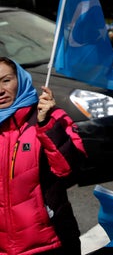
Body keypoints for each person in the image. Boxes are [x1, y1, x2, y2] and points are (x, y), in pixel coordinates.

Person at [0, 57, 86, 255]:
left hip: (49, 243)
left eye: (6, 80)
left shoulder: (48, 116)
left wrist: (46, 125)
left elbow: (70, 171)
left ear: (20, 80)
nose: (0, 90)